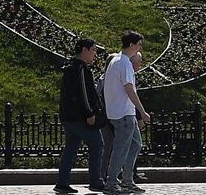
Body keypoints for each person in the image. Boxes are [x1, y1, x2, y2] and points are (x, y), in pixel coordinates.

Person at [55, 38, 104, 194]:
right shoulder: (81, 69)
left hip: (68, 116)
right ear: (84, 50)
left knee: (71, 147)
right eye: (94, 49)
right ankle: (95, 181)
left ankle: (62, 182)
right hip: (80, 117)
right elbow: (84, 93)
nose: (95, 54)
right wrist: (90, 112)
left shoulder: (69, 67)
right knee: (97, 144)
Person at [101, 31, 149, 194]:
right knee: (120, 150)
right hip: (124, 114)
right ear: (131, 45)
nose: (139, 48)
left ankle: (127, 180)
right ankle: (112, 183)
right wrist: (142, 111)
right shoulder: (125, 63)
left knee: (136, 144)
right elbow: (129, 88)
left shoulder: (115, 61)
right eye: (139, 45)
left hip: (119, 112)